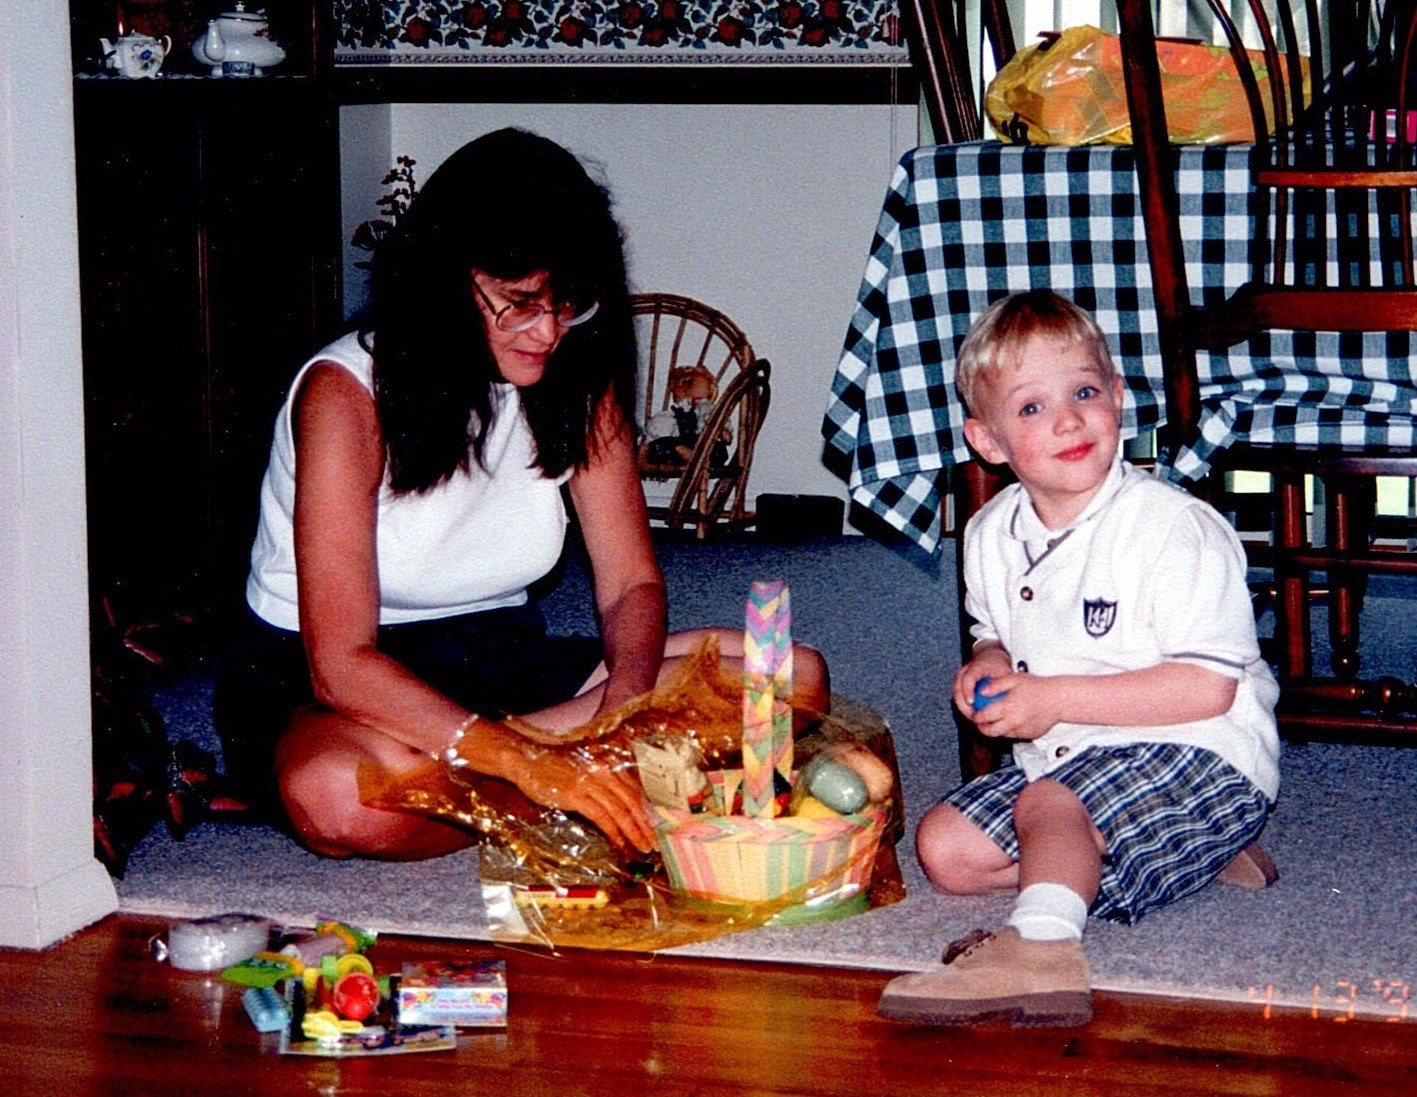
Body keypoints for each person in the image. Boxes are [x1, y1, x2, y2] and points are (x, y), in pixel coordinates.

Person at [214, 128, 828, 862]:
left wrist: (623, 710)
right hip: (340, 689)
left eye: (567, 303)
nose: (549, 330)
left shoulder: (573, 367)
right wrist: (526, 762)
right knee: (341, 797)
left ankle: (546, 780)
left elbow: (630, 581)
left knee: (791, 678)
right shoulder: (344, 395)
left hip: (495, 660)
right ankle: (551, 788)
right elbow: (341, 661)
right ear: (446, 279)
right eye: (519, 302)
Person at [877, 291, 1280, 1028]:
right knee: (945, 851)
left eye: (1085, 392)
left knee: (1047, 806)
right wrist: (990, 663)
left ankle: (1041, 948)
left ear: (1118, 399)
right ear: (987, 440)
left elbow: (1207, 688)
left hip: (1200, 752)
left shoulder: (1173, 530)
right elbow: (989, 629)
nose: (1066, 419)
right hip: (1071, 758)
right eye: (1030, 408)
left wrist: (1051, 697)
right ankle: (1182, 855)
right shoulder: (988, 532)